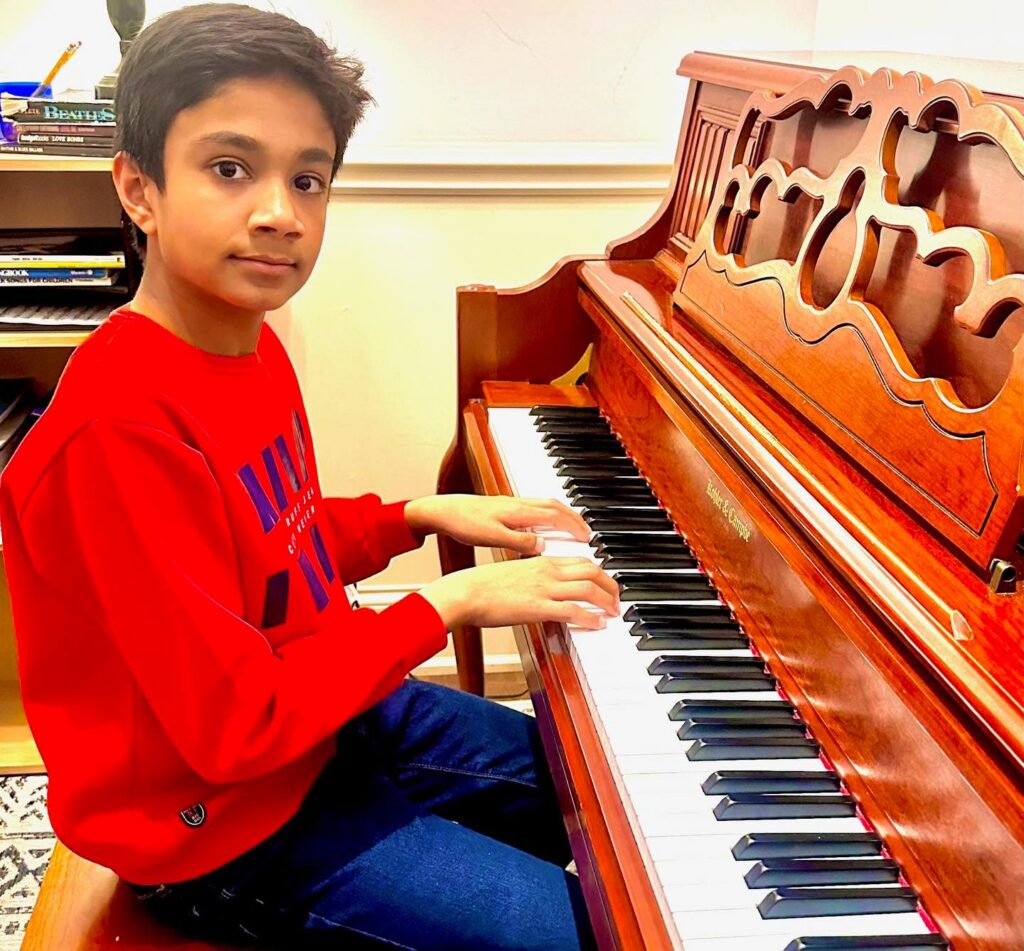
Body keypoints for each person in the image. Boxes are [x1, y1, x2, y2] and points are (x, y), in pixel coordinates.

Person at [0, 4, 620, 949]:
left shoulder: (248, 346)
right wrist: (447, 604)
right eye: (229, 168)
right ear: (138, 188)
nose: (280, 213)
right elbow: (233, 728)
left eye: (309, 179)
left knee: (607, 796)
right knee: (588, 931)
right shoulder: (116, 432)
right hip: (216, 825)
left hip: (323, 722)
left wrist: (407, 515)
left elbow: (271, 540)